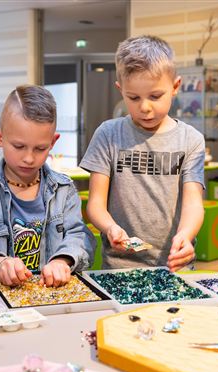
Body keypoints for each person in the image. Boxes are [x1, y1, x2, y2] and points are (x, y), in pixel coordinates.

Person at [80, 35, 205, 271]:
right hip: (119, 267)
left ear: (175, 86)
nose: (145, 107)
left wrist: (186, 236)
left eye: (155, 96)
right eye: (133, 98)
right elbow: (95, 203)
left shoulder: (191, 140)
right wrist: (109, 228)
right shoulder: (108, 134)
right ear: (120, 90)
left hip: (174, 265)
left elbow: (193, 204)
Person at [0, 85, 94, 288]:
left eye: (40, 148)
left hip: (51, 296)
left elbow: (79, 236)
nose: (28, 158)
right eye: (19, 146)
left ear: (53, 142)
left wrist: (63, 261)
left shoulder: (64, 190)